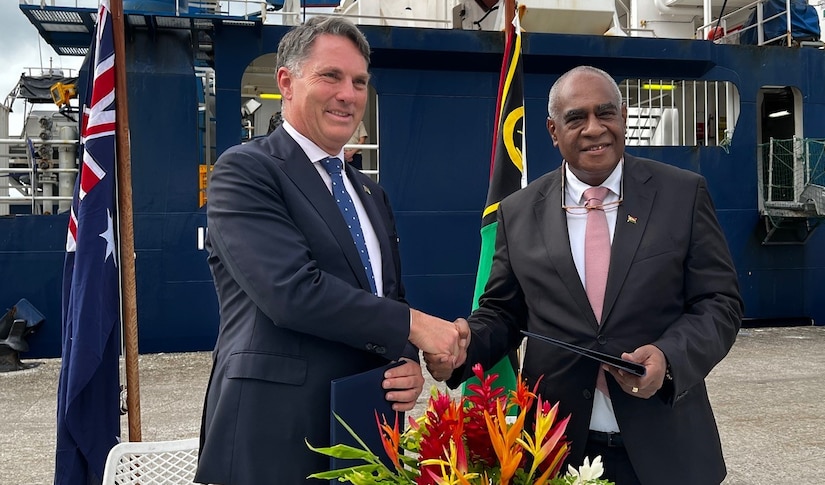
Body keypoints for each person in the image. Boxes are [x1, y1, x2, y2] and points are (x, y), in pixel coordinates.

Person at [426, 66, 743, 485]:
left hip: (668, 445)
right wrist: (463, 348)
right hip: (555, 447)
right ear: (553, 131)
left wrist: (669, 359)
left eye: (605, 113)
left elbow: (719, 303)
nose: (594, 129)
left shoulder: (683, 193)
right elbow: (503, 314)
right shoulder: (518, 212)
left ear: (624, 117)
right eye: (576, 118)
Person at [195, 17, 463, 484]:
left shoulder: (369, 193)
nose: (349, 94)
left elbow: (385, 299)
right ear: (287, 83)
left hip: (361, 428)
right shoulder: (245, 171)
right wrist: (418, 328)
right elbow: (290, 292)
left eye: (359, 82)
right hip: (271, 435)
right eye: (331, 76)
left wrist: (405, 362)